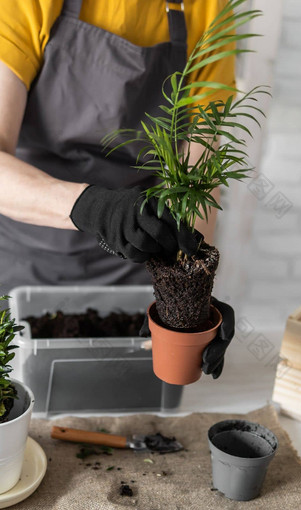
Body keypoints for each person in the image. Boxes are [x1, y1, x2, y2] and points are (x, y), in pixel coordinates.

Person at [0, 0, 235, 378]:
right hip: (24, 259)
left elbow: (197, 174)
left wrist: (194, 284)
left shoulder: (208, 6)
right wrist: (95, 207)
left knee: (125, 397)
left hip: (132, 271)